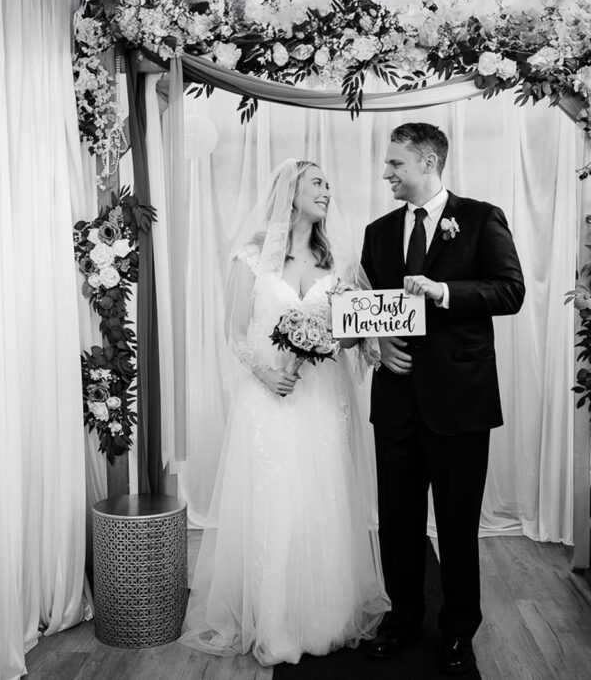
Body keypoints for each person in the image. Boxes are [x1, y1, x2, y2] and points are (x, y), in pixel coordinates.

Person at [179, 159, 389, 666]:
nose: (327, 191)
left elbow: (354, 334)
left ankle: (323, 615)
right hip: (268, 398)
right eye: (318, 182)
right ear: (290, 192)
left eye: (329, 184)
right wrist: (266, 374)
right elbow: (233, 333)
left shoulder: (338, 264)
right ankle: (273, 618)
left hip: (322, 399)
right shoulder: (251, 257)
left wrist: (344, 339)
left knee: (322, 496)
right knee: (274, 499)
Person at [360, 123, 525, 675]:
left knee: (456, 526)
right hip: (396, 400)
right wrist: (379, 343)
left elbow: (511, 291)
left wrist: (446, 292)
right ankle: (402, 619)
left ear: (428, 162)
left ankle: (458, 631)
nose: (387, 172)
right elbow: (368, 306)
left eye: (396, 163)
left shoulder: (480, 218)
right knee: (397, 522)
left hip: (460, 401)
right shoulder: (378, 232)